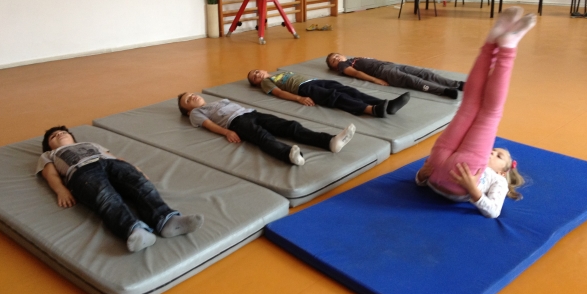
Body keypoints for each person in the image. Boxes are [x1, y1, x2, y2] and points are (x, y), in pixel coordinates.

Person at [414, 7, 535, 218]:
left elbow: (494, 211)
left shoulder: (498, 180)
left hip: (450, 171)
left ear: (502, 172)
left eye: (498, 156)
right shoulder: (493, 173)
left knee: (478, 110)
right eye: (495, 150)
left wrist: (422, 176)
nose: (492, 152)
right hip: (456, 166)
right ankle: (497, 42)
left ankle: (500, 45)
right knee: (477, 108)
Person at [37, 126, 204, 252]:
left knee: (141, 186)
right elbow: (50, 174)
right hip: (81, 172)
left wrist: (135, 169)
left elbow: (115, 158)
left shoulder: (90, 144)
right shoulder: (49, 155)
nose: (59, 134)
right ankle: (134, 230)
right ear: (49, 146)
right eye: (53, 136)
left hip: (111, 164)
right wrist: (61, 190)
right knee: (105, 197)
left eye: (63, 132)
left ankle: (167, 220)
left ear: (73, 137)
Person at [178, 93, 356, 166]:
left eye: (192, 94)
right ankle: (289, 155)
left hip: (252, 113)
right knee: (262, 137)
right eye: (187, 100)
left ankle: (329, 141)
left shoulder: (218, 100)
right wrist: (227, 132)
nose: (192, 97)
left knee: (290, 126)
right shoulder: (195, 113)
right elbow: (209, 125)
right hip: (236, 123)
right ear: (187, 110)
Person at [247, 69, 410, 118]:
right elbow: (279, 93)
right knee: (336, 97)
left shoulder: (280, 72)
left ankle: (385, 104)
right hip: (303, 89)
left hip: (314, 81)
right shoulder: (266, 82)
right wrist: (299, 98)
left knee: (349, 90)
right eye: (254, 77)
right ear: (256, 83)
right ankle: (371, 110)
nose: (257, 74)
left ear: (263, 69)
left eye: (256, 71)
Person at [326, 53, 464, 99]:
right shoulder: (343, 65)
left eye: (337, 56)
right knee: (414, 80)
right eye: (334, 60)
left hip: (391, 65)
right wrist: (375, 80)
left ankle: (457, 84)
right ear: (334, 67)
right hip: (384, 72)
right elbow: (356, 73)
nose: (337, 59)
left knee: (425, 73)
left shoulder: (354, 58)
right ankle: (444, 91)